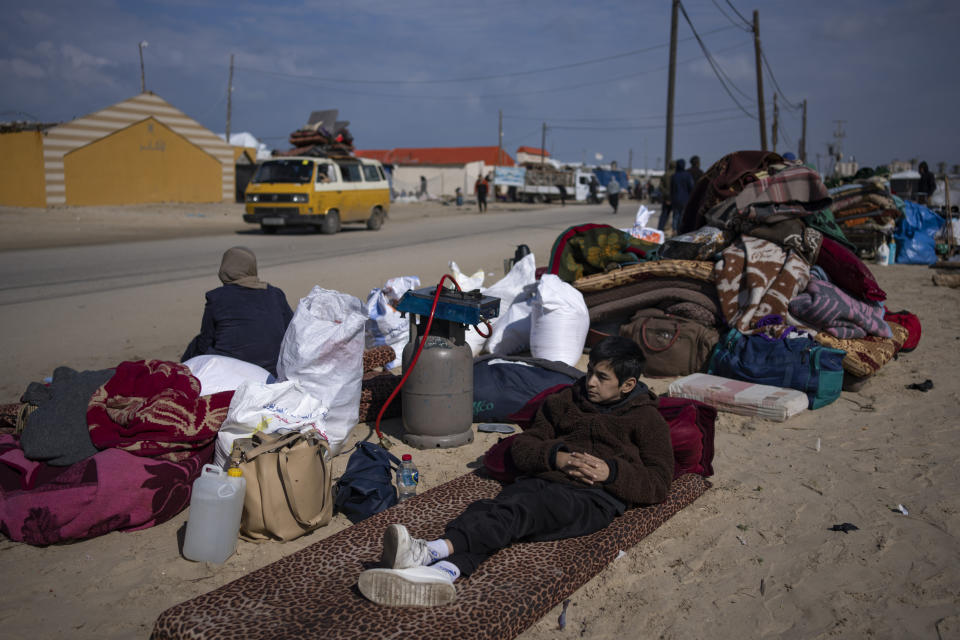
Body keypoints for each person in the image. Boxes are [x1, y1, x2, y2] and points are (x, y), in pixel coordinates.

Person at [357, 336, 674, 607]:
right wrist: (557, 458)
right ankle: (443, 573)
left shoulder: (646, 420)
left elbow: (659, 482)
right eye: (591, 372)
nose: (590, 382)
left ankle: (431, 552)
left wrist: (611, 473)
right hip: (544, 479)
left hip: (594, 499)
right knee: (496, 510)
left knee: (523, 511)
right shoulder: (566, 400)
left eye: (602, 378)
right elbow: (523, 447)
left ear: (627, 385)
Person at [181, 246, 293, 377]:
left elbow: (205, 341)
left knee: (196, 345)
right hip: (273, 369)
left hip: (232, 368)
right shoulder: (276, 294)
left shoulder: (216, 297)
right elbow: (291, 330)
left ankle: (182, 379)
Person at [670, 158, 695, 234]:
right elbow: (691, 187)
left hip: (675, 199)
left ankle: (674, 230)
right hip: (685, 199)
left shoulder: (674, 176)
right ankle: (681, 231)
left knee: (675, 216)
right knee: (682, 216)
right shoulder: (688, 175)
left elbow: (672, 188)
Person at [657, 161, 675, 231]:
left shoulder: (665, 175)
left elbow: (660, 187)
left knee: (664, 215)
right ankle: (674, 231)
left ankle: (659, 230)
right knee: (675, 216)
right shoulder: (676, 175)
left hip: (666, 198)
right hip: (674, 198)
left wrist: (666, 194)